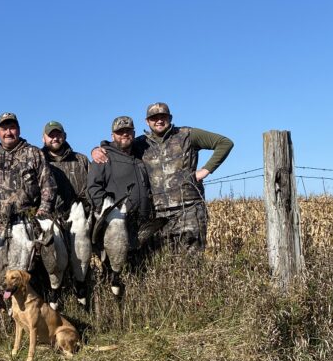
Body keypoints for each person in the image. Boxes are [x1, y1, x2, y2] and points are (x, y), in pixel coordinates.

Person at [92, 102, 233, 251]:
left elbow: (224, 143)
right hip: (159, 216)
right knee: (166, 261)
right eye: (154, 117)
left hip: (189, 209)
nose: (159, 120)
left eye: (163, 116)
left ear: (170, 118)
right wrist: (97, 150)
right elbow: (117, 146)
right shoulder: (141, 143)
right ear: (147, 121)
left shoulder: (187, 134)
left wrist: (205, 170)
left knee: (193, 263)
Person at [87, 115, 152, 248]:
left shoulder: (140, 157)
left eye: (128, 131)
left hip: (142, 224)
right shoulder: (103, 158)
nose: (124, 134)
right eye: (120, 132)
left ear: (133, 134)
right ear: (112, 136)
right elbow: (93, 189)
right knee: (119, 266)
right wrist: (111, 214)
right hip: (117, 226)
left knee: (144, 264)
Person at [0, 112, 56, 225]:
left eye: (12, 128)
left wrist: (42, 212)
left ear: (19, 130)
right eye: (4, 129)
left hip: (28, 223)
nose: (8, 132)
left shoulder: (34, 153)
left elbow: (48, 185)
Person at [41, 120, 91, 216]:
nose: (55, 138)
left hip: (80, 218)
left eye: (58, 135)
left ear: (65, 136)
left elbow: (93, 187)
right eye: (51, 135)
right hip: (50, 220)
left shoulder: (81, 160)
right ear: (43, 139)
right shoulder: (39, 162)